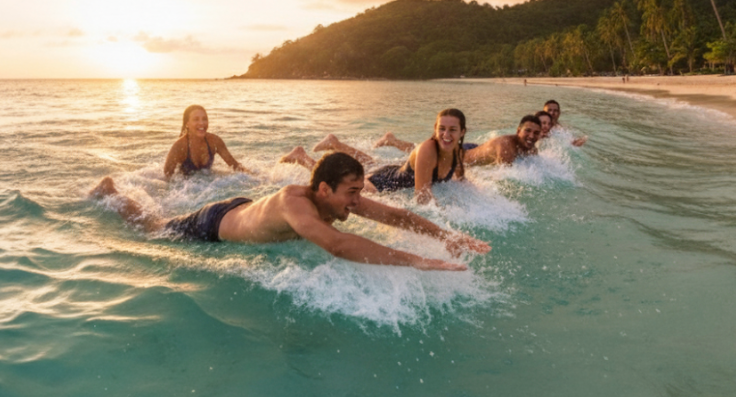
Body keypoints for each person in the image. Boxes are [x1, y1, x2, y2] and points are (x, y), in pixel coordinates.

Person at [89, 152, 490, 271]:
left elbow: (396, 216)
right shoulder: (296, 203)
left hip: (245, 211)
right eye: (352, 192)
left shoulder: (338, 197)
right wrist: (417, 260)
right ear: (323, 189)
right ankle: (111, 190)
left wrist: (447, 237)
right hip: (212, 225)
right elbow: (336, 244)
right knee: (151, 226)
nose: (358, 200)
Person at [280, 109, 468, 205]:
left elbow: (461, 179)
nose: (446, 135)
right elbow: (422, 198)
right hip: (381, 184)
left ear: (462, 132)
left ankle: (335, 144)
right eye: (441, 129)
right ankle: (303, 158)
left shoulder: (457, 152)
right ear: (434, 131)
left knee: (369, 163)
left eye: (452, 130)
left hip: (393, 172)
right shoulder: (428, 149)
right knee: (340, 184)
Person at [163, 105, 250, 178]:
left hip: (207, 185)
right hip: (186, 188)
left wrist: (255, 176)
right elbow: (167, 177)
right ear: (187, 124)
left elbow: (234, 165)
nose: (201, 123)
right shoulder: (179, 146)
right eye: (196, 119)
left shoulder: (215, 141)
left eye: (204, 119)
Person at [463, 115, 542, 166]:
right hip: (462, 156)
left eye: (536, 133)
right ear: (518, 131)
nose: (531, 136)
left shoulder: (532, 150)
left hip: (477, 148)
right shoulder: (506, 146)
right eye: (527, 131)